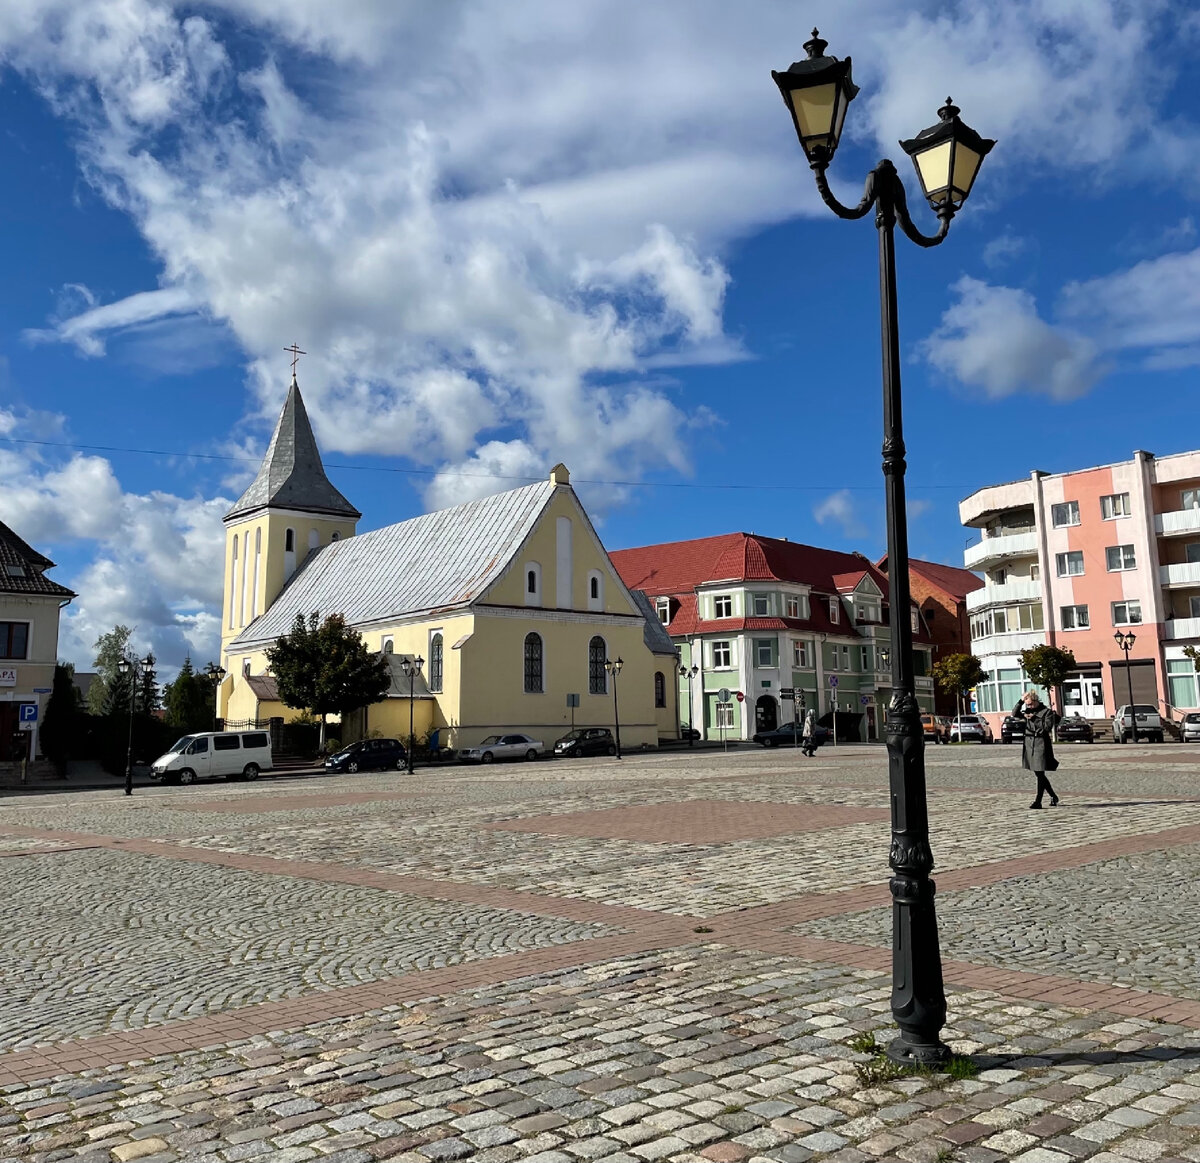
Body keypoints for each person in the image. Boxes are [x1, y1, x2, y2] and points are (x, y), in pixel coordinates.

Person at [1012, 690, 1060, 808]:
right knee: (1038, 773)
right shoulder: (1027, 711)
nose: (1029, 706)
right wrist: (1021, 701)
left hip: (1040, 743)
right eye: (1027, 704)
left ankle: (1038, 801)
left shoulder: (1046, 712)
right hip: (1029, 743)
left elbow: (1046, 727)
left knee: (1040, 772)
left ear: (1036, 700)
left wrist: (1034, 719)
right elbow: (1014, 713)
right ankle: (1053, 796)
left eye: (1030, 704)